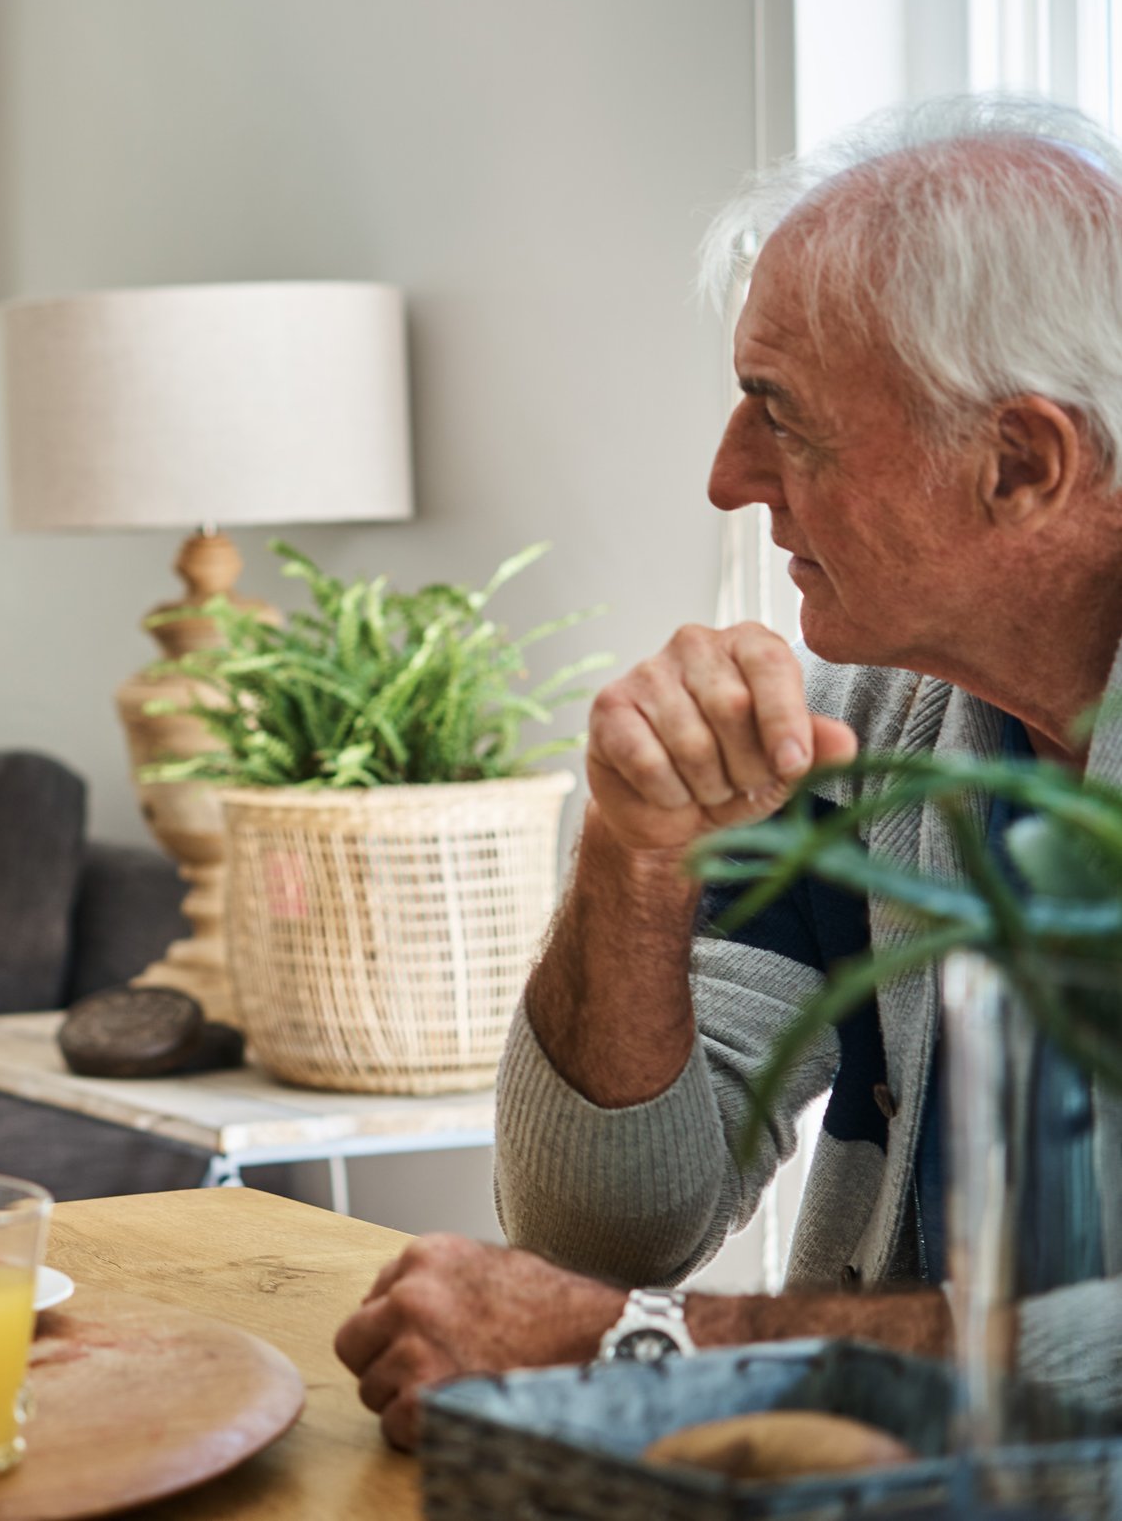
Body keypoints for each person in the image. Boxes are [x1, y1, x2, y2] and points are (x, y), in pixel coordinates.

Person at [339, 95, 1122, 1448]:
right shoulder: (868, 726)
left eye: (781, 414)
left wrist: (651, 1346)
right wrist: (634, 860)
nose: (726, 475)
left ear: (1019, 462)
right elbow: (604, 1225)